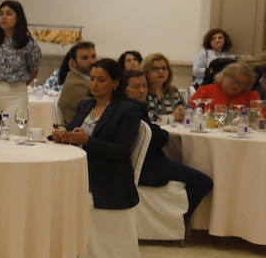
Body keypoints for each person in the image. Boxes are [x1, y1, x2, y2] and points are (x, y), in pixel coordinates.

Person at [51, 58, 145, 210]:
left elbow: (122, 150)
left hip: (107, 174)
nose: (94, 84)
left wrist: (87, 140)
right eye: (92, 78)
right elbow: (72, 131)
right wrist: (61, 135)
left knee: (56, 183)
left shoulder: (127, 110)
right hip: (81, 166)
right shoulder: (85, 105)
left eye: (101, 80)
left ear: (115, 83)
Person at [122, 70, 212, 217]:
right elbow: (160, 138)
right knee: (203, 182)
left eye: (144, 86)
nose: (142, 90)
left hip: (141, 163)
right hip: (147, 167)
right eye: (136, 87)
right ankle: (179, 218)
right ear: (125, 89)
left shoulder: (128, 106)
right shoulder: (133, 109)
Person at [0, 0, 41, 119]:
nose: (4, 17)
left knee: (13, 132)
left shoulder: (28, 44)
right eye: (1, 14)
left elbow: (34, 70)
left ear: (18, 17)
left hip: (15, 93)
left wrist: (18, 83)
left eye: (9, 13)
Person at [189, 59, 260, 110]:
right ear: (224, 76)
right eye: (234, 80)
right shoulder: (204, 91)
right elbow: (189, 112)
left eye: (242, 83)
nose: (236, 85)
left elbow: (260, 119)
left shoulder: (252, 97)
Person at [55, 41, 98, 125]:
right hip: (82, 132)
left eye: (93, 56)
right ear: (72, 63)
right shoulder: (74, 85)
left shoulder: (86, 80)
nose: (92, 61)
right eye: (85, 58)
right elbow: (100, 109)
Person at [140, 53, 185, 122]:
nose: (161, 71)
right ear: (146, 72)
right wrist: (171, 118)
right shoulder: (142, 92)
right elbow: (145, 117)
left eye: (164, 68)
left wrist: (182, 112)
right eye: (155, 69)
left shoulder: (173, 92)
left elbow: (186, 112)